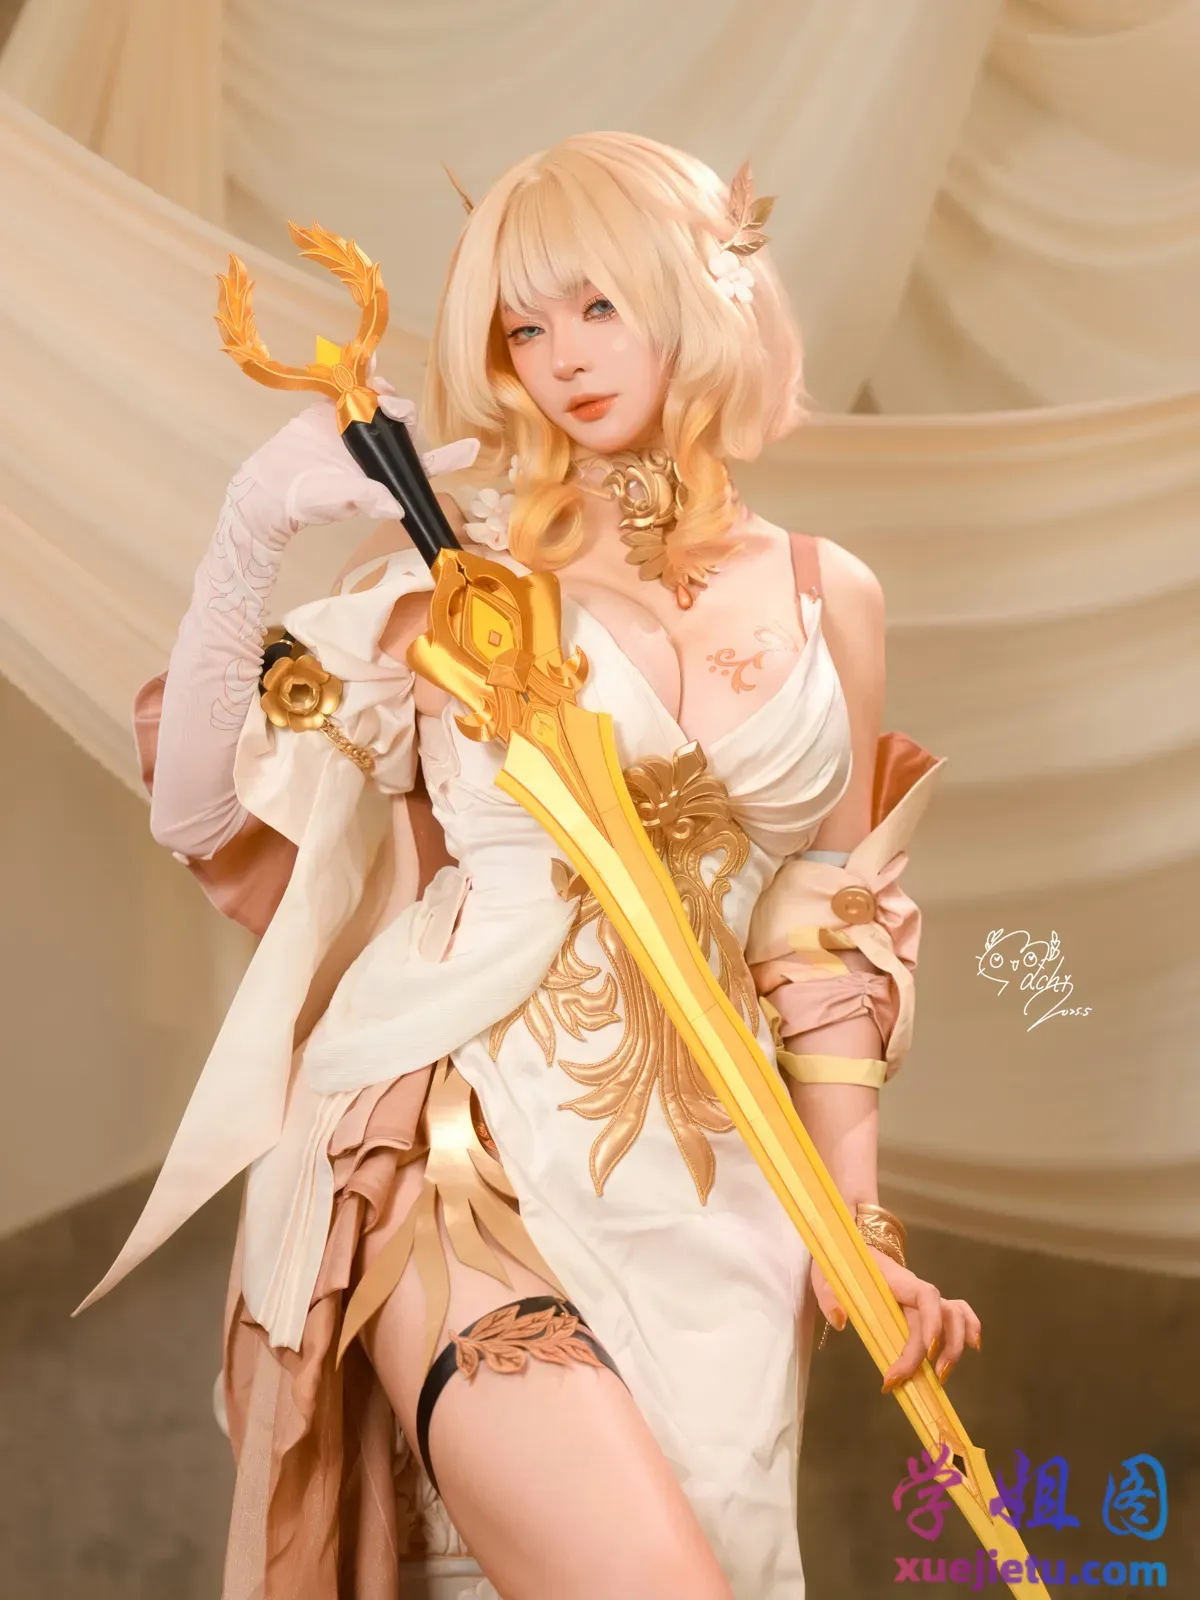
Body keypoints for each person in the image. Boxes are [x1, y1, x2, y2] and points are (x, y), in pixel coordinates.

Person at [76, 132, 981, 1600]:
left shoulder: (833, 600)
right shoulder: (459, 587)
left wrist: (853, 1231)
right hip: (453, 1148)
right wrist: (249, 534)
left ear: (700, 292)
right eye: (522, 325)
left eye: (597, 305)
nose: (560, 357)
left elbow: (825, 940)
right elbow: (198, 808)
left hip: (723, 1199)